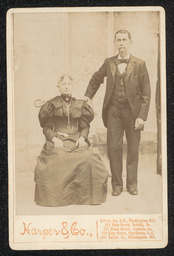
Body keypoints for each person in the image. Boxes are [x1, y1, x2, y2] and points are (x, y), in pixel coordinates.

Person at [84, 30, 151, 196]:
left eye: (124, 40)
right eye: (118, 40)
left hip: (133, 113)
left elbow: (146, 93)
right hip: (113, 111)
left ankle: (132, 184)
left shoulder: (140, 63)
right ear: (115, 43)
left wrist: (141, 116)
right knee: (113, 147)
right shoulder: (109, 62)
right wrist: (88, 97)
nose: (121, 43)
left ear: (130, 42)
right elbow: (96, 79)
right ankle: (117, 184)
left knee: (133, 149)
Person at [34, 74, 108, 207]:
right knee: (59, 157)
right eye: (64, 84)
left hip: (76, 139)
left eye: (69, 84)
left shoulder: (80, 104)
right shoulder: (51, 104)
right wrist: (54, 138)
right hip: (58, 139)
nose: (66, 86)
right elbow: (47, 128)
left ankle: (83, 197)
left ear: (72, 86)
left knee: (88, 157)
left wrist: (82, 137)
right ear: (59, 87)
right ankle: (59, 198)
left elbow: (85, 126)